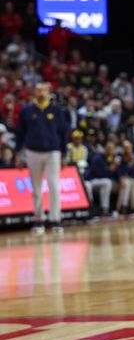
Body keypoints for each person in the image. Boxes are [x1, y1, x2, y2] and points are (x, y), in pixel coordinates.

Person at [15, 82, 68, 234]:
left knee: (54, 186)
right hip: (32, 152)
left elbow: (63, 133)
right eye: (37, 89)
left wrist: (64, 154)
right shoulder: (26, 111)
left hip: (53, 152)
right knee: (36, 189)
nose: (40, 92)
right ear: (34, 91)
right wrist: (18, 153)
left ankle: (55, 220)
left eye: (43, 89)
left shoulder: (56, 110)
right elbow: (20, 133)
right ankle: (38, 220)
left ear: (48, 91)